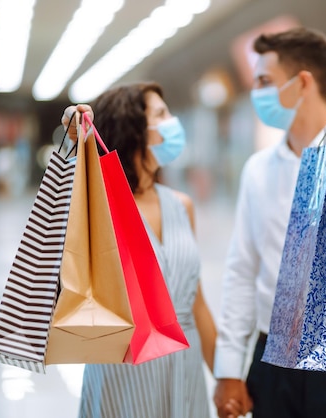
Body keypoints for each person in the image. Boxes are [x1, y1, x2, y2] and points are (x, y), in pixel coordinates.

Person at [213, 28, 326, 418]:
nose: (256, 93)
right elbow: (242, 271)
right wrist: (228, 369)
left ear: (303, 82)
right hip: (274, 360)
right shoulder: (258, 170)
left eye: (264, 81)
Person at [61, 82, 217, 418]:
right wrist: (78, 148)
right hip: (123, 372)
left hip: (184, 372)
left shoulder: (181, 205)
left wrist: (227, 377)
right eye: (161, 114)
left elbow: (197, 303)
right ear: (133, 129)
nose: (172, 121)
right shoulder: (99, 204)